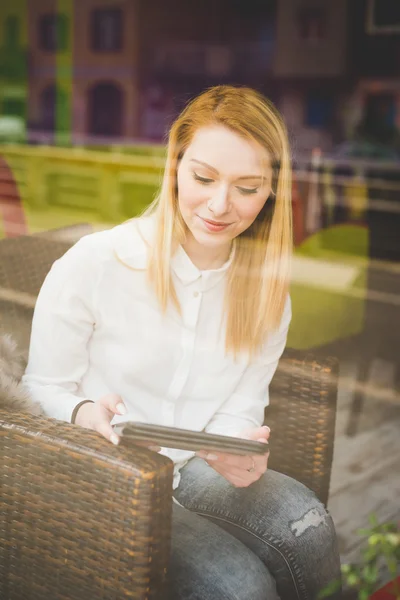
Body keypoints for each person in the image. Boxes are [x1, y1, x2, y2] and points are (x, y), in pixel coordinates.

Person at [23, 85, 341, 599]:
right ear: (174, 166)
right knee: (241, 587)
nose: (219, 205)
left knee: (309, 525)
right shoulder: (97, 262)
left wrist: (235, 450)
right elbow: (39, 387)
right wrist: (85, 413)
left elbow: (241, 406)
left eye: (247, 187)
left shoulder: (266, 298)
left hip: (193, 468)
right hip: (104, 474)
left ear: (271, 192)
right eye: (203, 178)